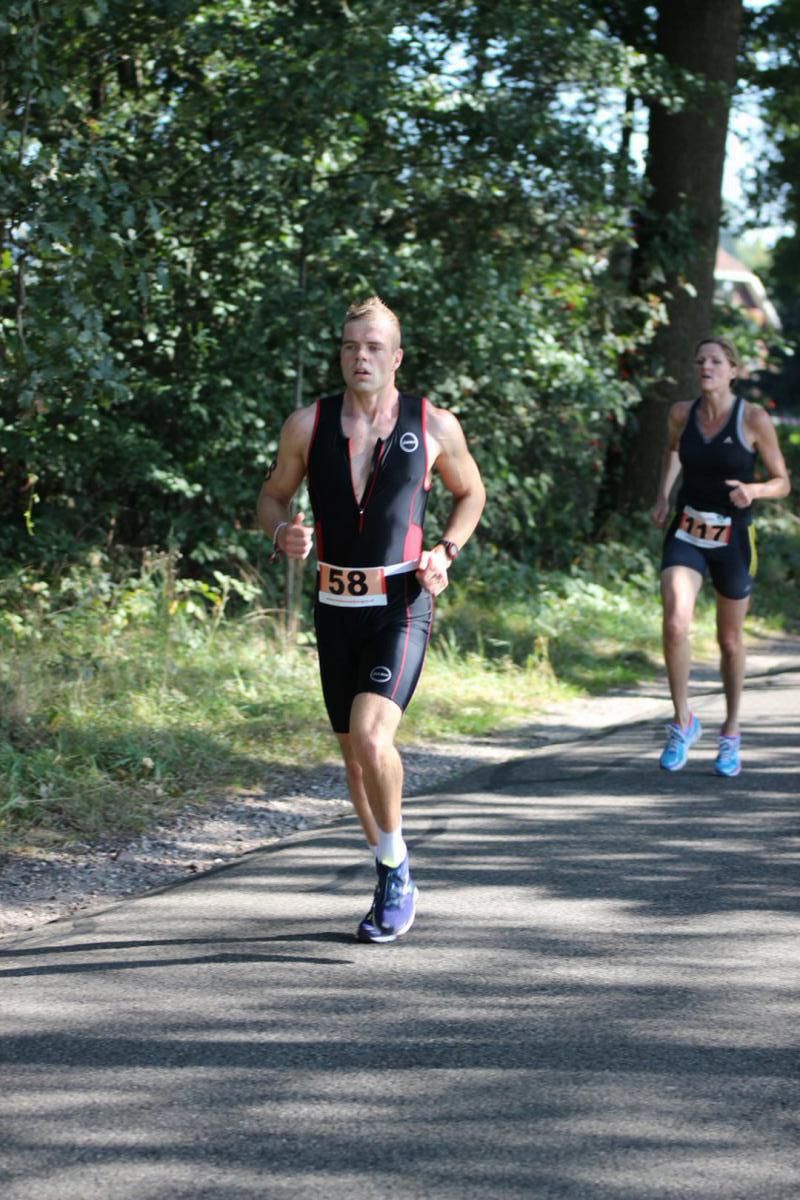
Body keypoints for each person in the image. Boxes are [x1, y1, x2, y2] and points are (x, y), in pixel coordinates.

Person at [257, 296, 486, 942]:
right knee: (353, 762)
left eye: (375, 346)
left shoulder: (434, 424)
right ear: (341, 352)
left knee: (371, 736)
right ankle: (395, 865)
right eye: (351, 345)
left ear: (397, 357)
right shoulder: (307, 425)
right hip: (334, 608)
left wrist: (446, 551)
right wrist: (282, 533)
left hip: (401, 603)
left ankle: (391, 874)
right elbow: (273, 495)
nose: (361, 357)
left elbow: (472, 493)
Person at [652, 335, 790, 776]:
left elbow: (783, 480)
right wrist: (662, 496)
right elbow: (673, 451)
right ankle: (683, 720)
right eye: (699, 361)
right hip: (688, 530)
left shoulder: (752, 419)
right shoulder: (681, 413)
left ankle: (730, 732)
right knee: (675, 621)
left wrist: (755, 489)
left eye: (715, 361)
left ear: (733, 370)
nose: (705, 367)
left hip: (733, 539)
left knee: (729, 642)